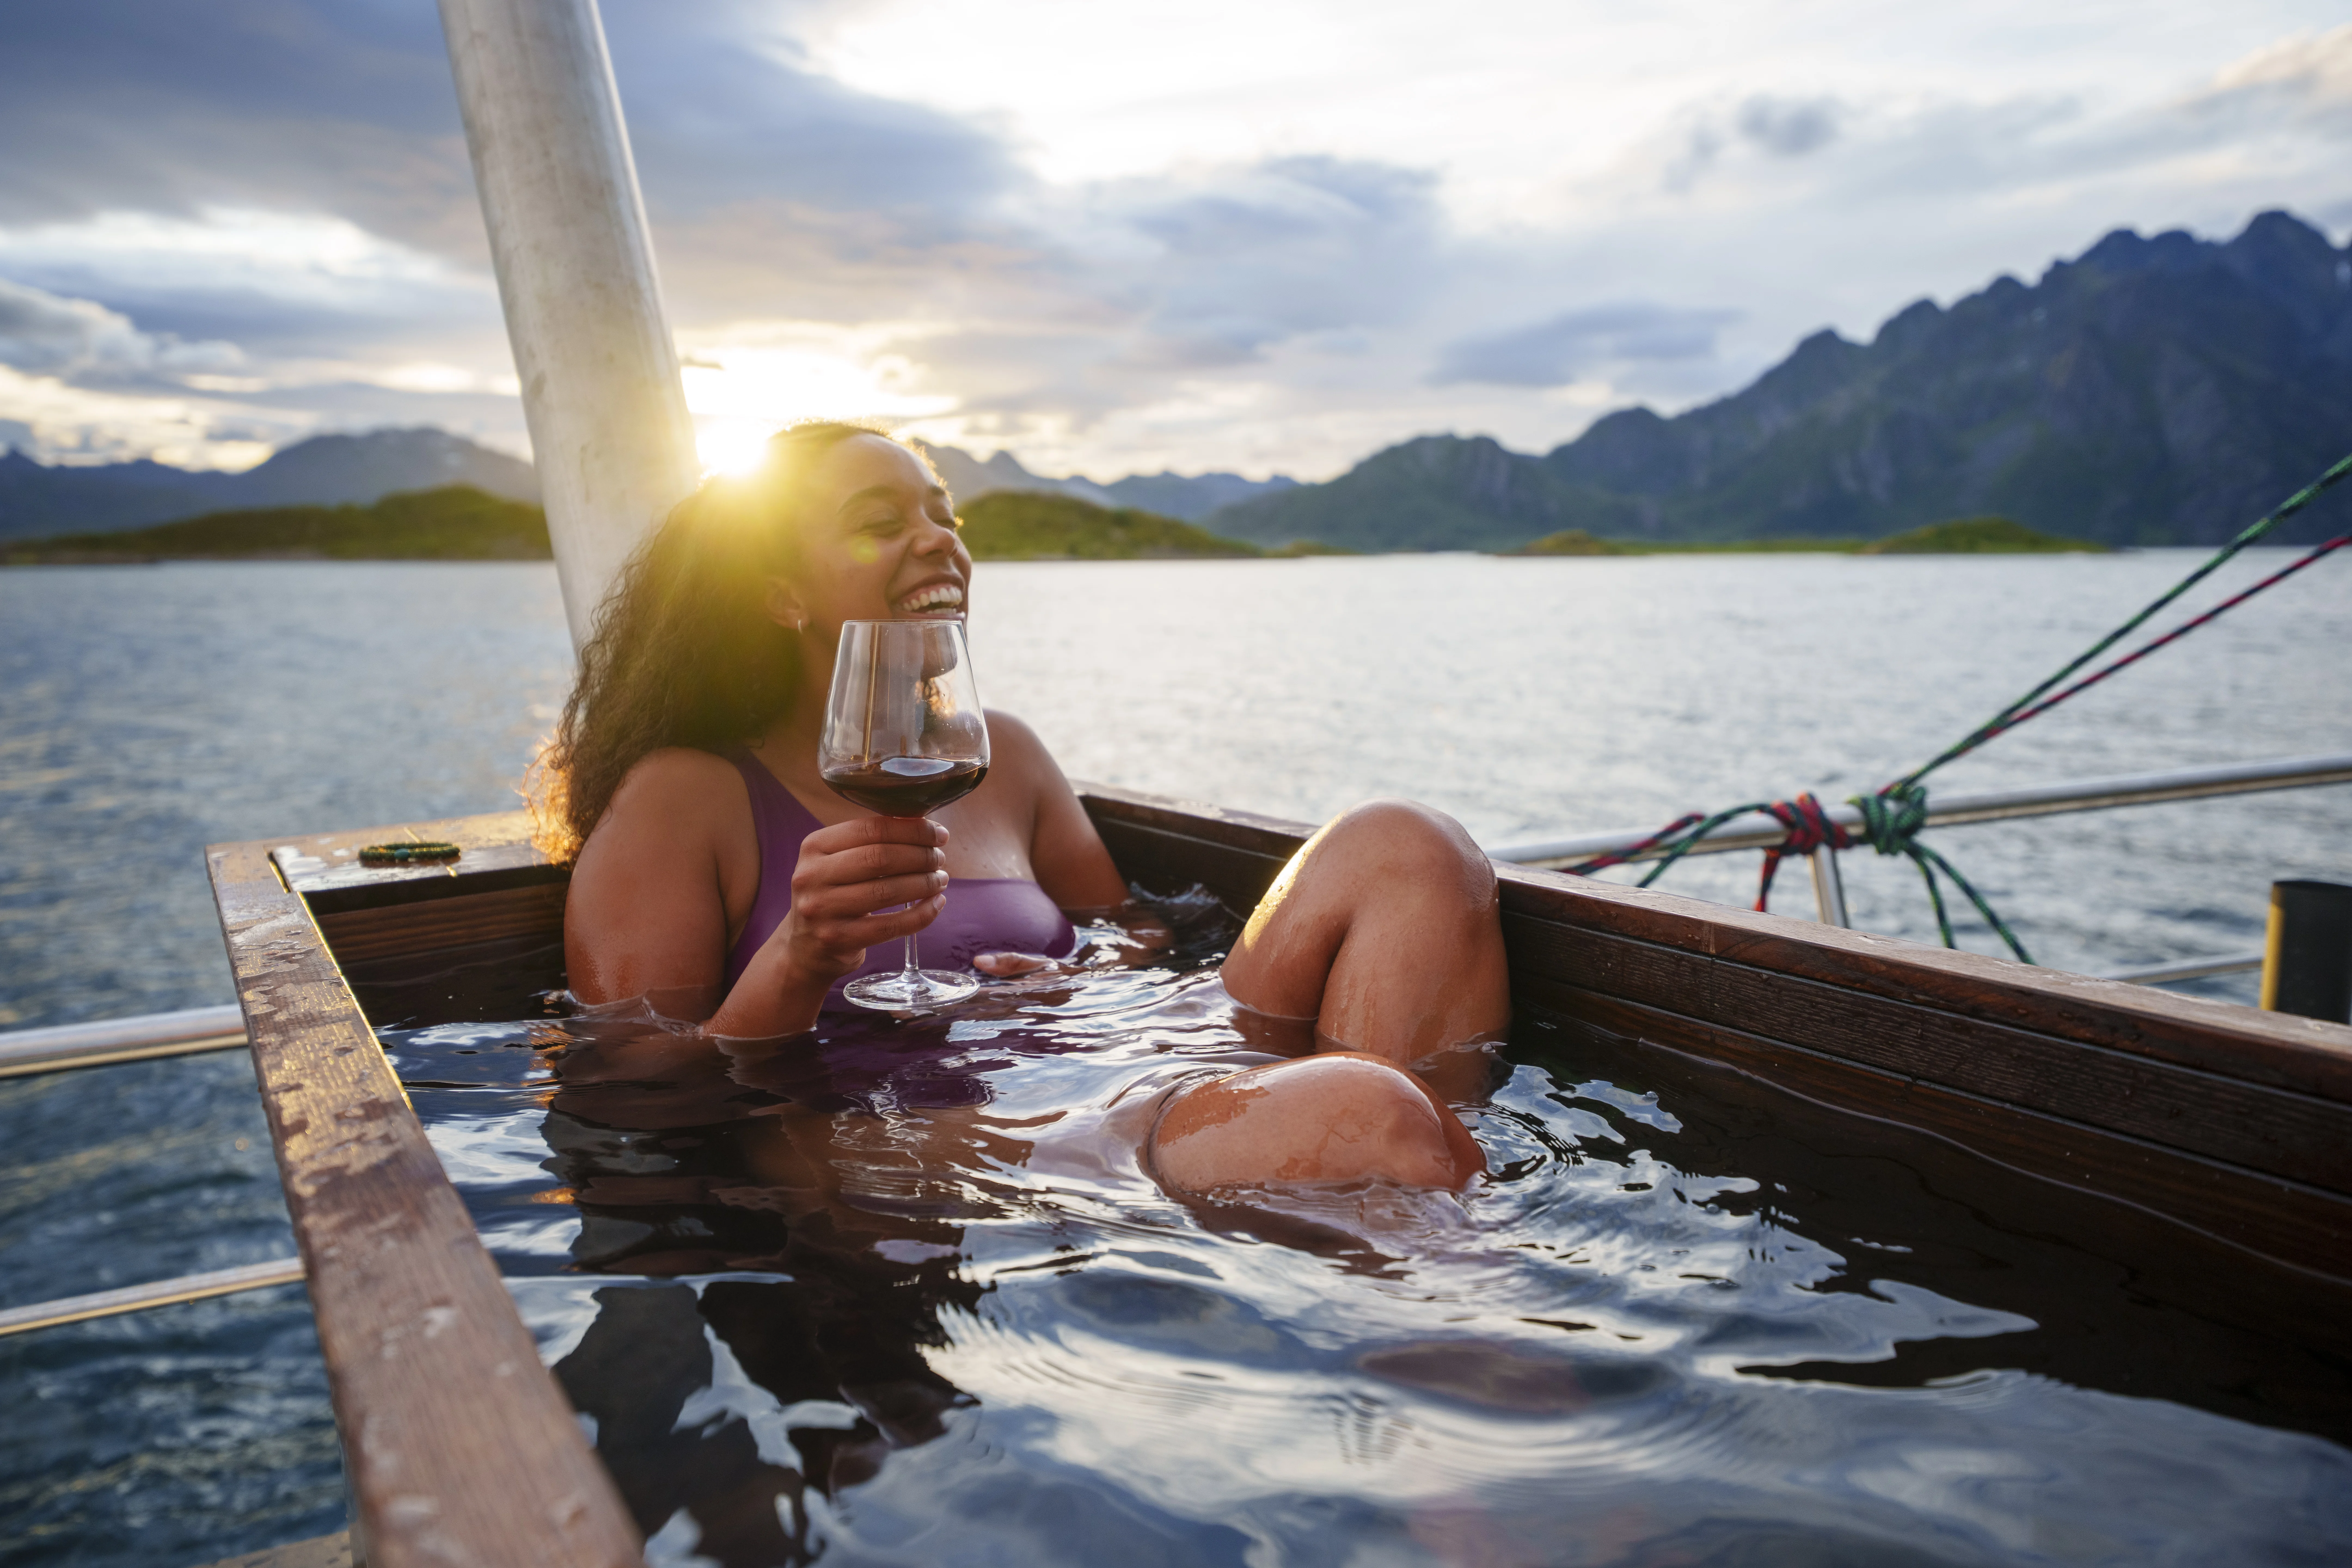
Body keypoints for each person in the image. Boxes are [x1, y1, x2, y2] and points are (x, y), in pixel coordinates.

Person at [543, 421, 1510, 1194]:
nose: (939, 541)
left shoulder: (1003, 754)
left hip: (1112, 1056)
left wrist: (1085, 966)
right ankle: (1417, 1232)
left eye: (943, 513)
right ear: (782, 594)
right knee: (1370, 1113)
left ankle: (1408, 1212)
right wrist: (800, 957)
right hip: (903, 1124)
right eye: (882, 523)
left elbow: (1130, 928)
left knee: (1409, 848)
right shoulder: (684, 795)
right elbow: (636, 1083)